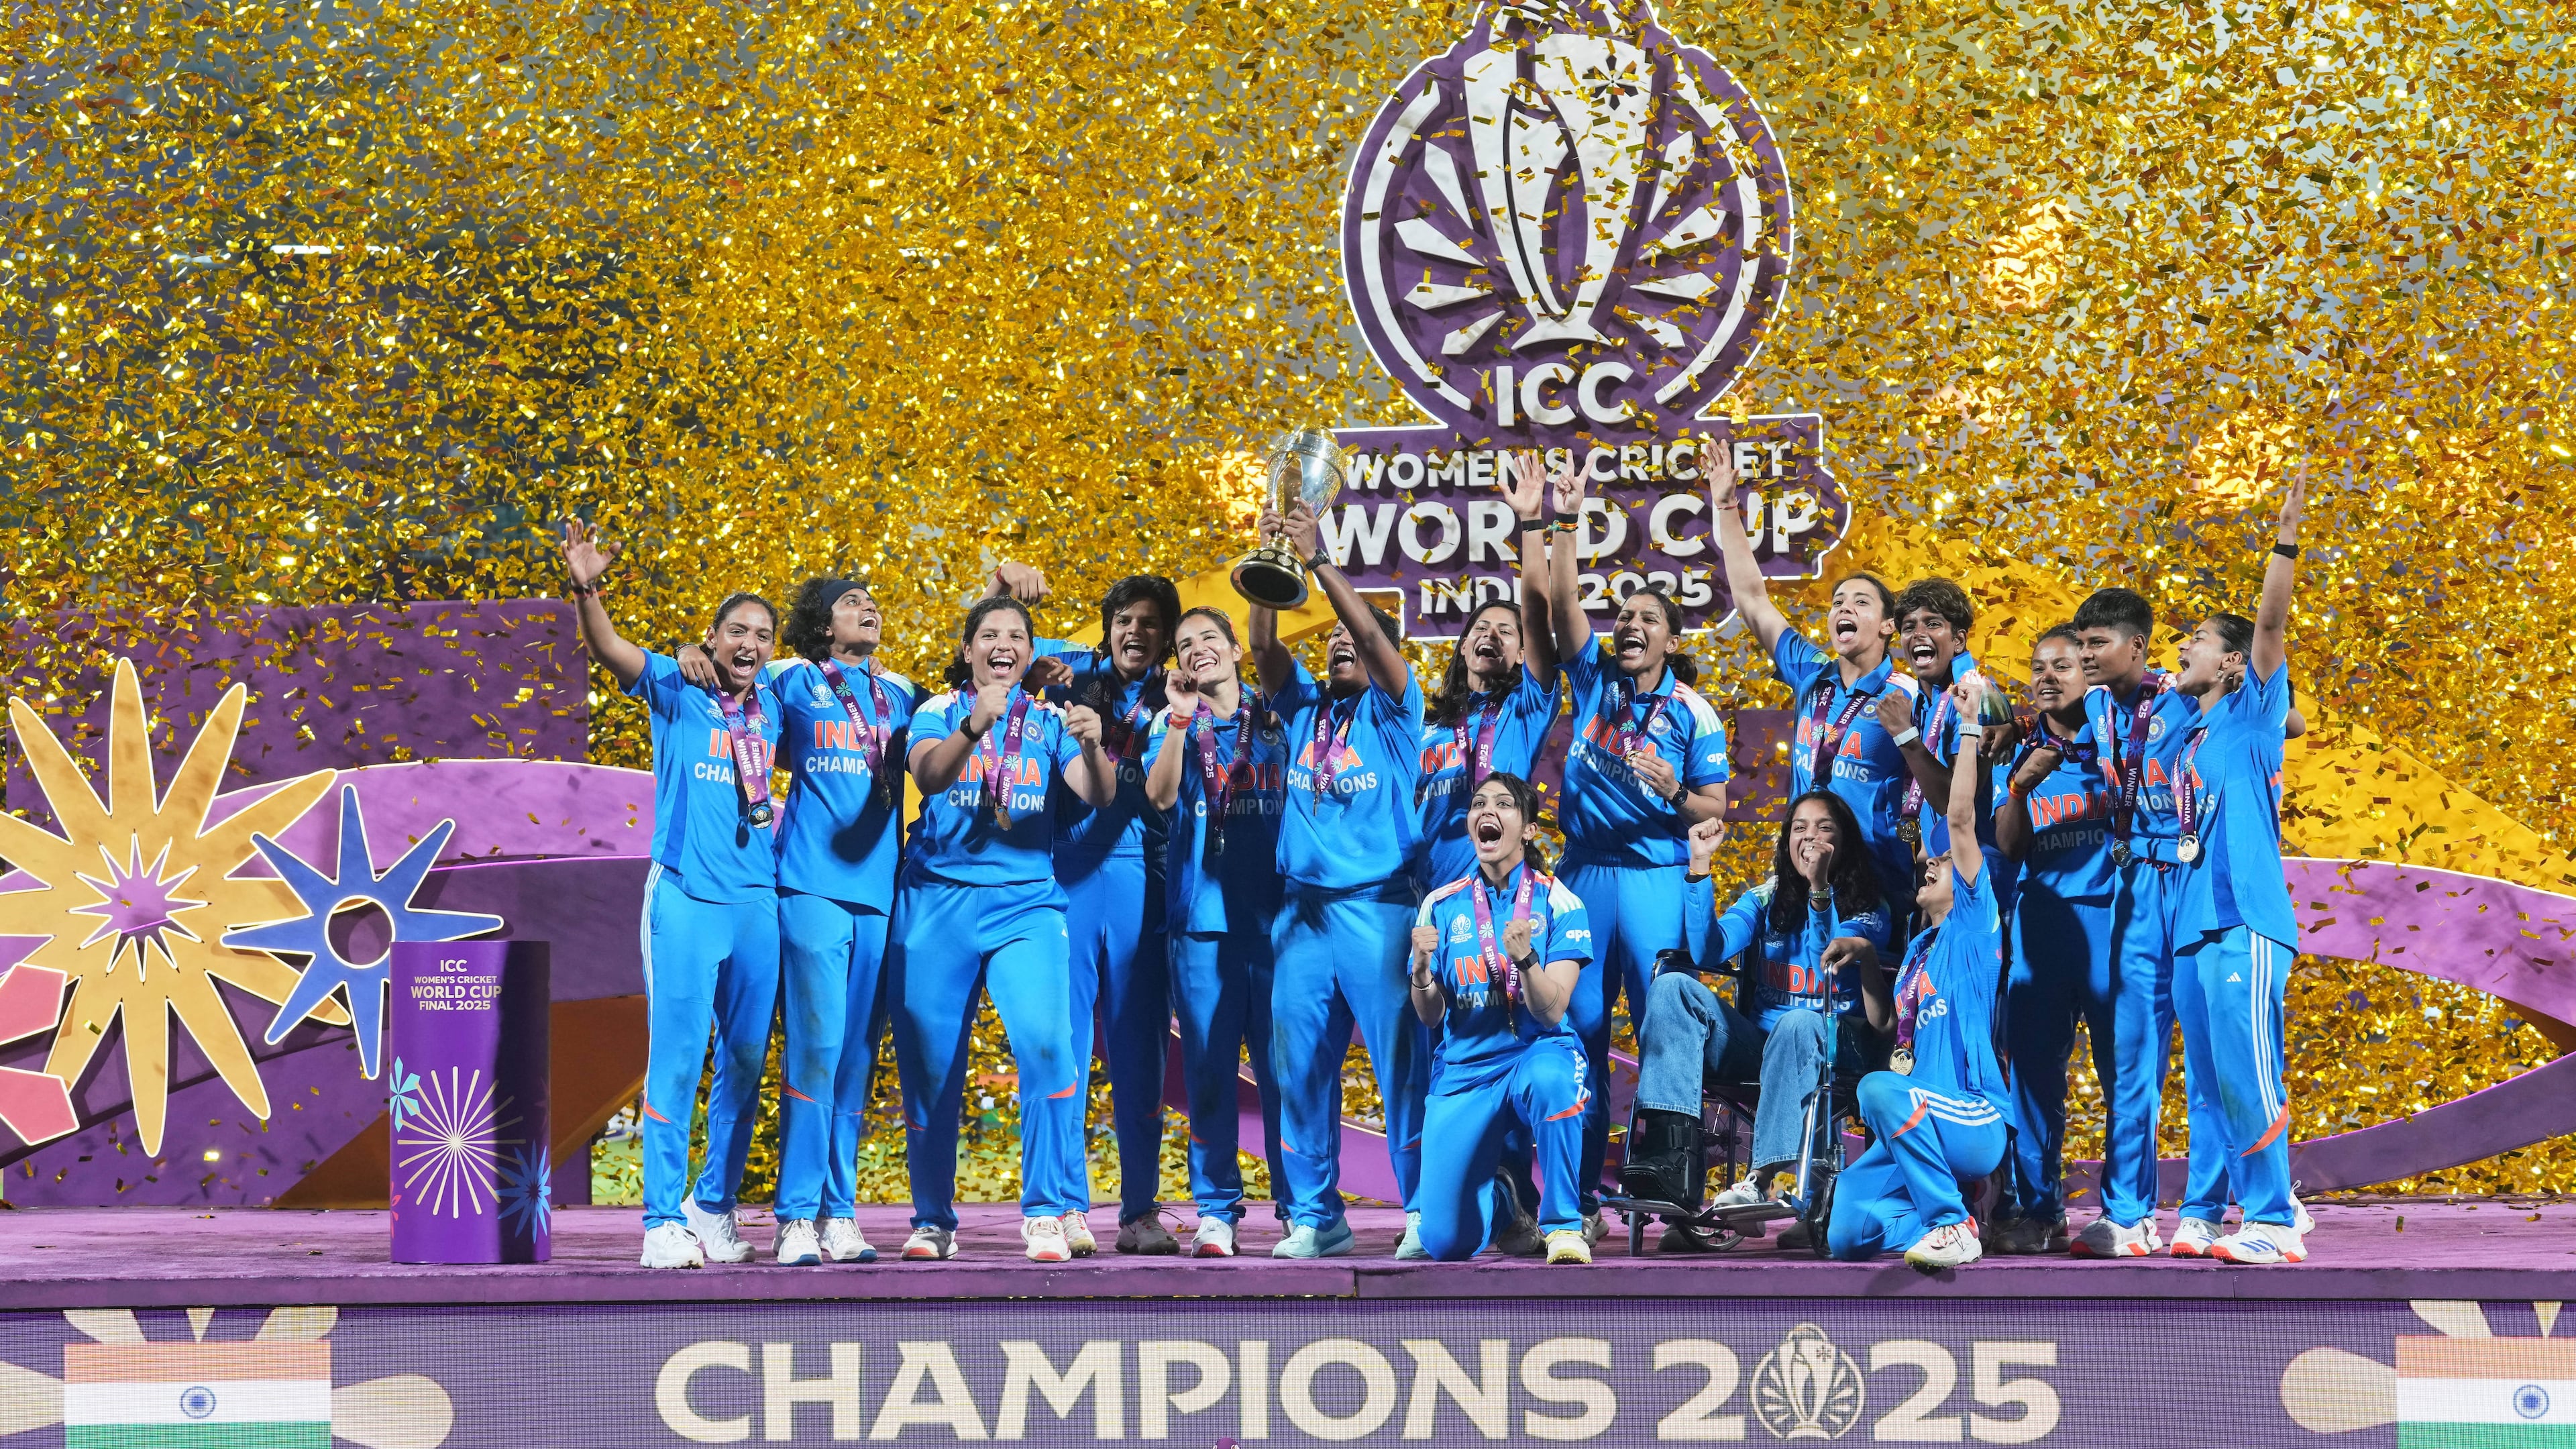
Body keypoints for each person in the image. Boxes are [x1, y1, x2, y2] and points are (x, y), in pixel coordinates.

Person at [559, 520, 784, 1271]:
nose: (748, 643)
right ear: (712, 639)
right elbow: (609, 647)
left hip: (758, 903)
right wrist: (588, 588)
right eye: (735, 631)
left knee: (747, 1063)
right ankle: (660, 1219)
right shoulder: (675, 684)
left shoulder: (778, 704)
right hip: (685, 896)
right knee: (678, 1060)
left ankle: (711, 1207)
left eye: (762, 634)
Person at [890, 595, 1122, 1263]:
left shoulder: (1048, 720)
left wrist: (1092, 743)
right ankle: (934, 1219)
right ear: (967, 651)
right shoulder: (936, 709)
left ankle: (1047, 1211)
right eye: (988, 634)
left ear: (1028, 653)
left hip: (1026, 906)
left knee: (1050, 1047)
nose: (1003, 643)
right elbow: (931, 775)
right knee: (932, 1070)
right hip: (937, 905)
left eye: (1017, 635)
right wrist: (971, 725)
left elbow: (1098, 792)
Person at [1538, 451, 1730, 1238]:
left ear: (1671, 638)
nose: (1630, 626)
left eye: (1648, 619)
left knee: (1664, 1038)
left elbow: (1713, 808)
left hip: (1654, 876)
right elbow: (1558, 608)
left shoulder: (1696, 711)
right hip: (1585, 877)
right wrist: (1566, 518)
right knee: (1577, 1034)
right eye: (1625, 617)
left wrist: (1670, 792)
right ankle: (1576, 1202)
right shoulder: (1594, 684)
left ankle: (1668, 1195)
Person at [1248, 498, 1432, 1260]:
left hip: (1378, 910)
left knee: (1400, 1070)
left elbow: (1366, 633)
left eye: (1351, 643)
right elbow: (1263, 652)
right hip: (1303, 918)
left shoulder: (1396, 711)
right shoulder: (1303, 712)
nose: (1337, 648)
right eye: (1328, 645)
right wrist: (1270, 564)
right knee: (1298, 1072)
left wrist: (1321, 561)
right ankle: (1317, 1215)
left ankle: (1424, 1210)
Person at [983, 564, 1183, 1254]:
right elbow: (990, 655)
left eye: (1151, 623)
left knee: (1139, 1054)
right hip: (1063, 877)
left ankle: (1138, 1210)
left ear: (1167, 637)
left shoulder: (1179, 692)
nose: (1136, 631)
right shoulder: (1064, 667)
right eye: (1125, 619)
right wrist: (1002, 592)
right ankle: (1064, 1204)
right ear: (1108, 627)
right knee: (1059, 1048)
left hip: (1142, 882)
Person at [716, 578, 916, 1267]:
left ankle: (839, 1212)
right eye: (851, 600)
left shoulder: (904, 694)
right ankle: (794, 1215)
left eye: (873, 599)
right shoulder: (791, 679)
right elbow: (727, 672)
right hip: (808, 887)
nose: (870, 606)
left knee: (858, 1058)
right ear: (822, 624)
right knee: (818, 1049)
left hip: (880, 894)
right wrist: (692, 651)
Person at [1623, 794, 1892, 1253]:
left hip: (1835, 1042)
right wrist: (1700, 868)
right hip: (1762, 1045)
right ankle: (1670, 1166)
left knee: (1798, 1020)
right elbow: (1710, 951)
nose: (1810, 836)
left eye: (1824, 827)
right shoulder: (1765, 898)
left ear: (1844, 840)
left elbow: (1827, 953)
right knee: (1670, 986)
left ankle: (1760, 1180)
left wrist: (1819, 887)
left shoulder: (1870, 908)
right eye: (1799, 827)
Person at [2165, 469, 2310, 1264]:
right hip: (2194, 927)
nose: (2182, 649)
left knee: (2250, 1073)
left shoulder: (2254, 715)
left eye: (2197, 641)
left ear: (2230, 665)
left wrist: (2282, 542)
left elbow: (2270, 625)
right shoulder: (2191, 737)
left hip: (2246, 920)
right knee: (2214, 1083)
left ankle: (2276, 1223)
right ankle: (2222, 1211)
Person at [1827, 673, 2013, 1272]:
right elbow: (1887, 1028)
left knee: (1876, 1088)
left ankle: (1951, 1223)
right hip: (1919, 1118)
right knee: (1847, 1231)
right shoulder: (1917, 950)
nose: (1932, 865)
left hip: (1971, 1115)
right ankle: (1951, 1210)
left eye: (1942, 863)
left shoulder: (1974, 928)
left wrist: (1966, 729)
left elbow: (1959, 821)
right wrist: (1866, 968)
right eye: (1928, 862)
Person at [1142, 606, 1290, 1257]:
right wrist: (1177, 720)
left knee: (1288, 1073)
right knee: (1208, 1072)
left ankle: (1301, 1204)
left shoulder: (1282, 718)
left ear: (1236, 648)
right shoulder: (1172, 722)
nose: (1198, 649)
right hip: (1202, 925)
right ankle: (1217, 1211)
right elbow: (1162, 796)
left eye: (1209, 638)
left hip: (1278, 924)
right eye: (1184, 644)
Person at [1711, 444, 1918, 907]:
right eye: (1838, 602)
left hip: (1876, 883)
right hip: (1800, 873)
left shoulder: (1906, 696)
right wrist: (1726, 506)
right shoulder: (1812, 674)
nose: (1844, 607)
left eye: (1861, 602)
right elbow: (1752, 599)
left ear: (1889, 626)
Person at [1407, 774, 1598, 1265]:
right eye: (1478, 804)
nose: (1487, 811)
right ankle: (1505, 1201)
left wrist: (1528, 961)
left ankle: (1563, 1226)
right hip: (1467, 1069)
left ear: (1529, 829)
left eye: (1504, 804)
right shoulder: (1440, 905)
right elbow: (1430, 1017)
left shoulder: (1560, 902)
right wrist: (1423, 974)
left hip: (1537, 1051)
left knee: (1555, 1082)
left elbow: (1552, 1010)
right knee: (1445, 1243)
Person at [1988, 625, 2113, 1255]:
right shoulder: (2018, 754)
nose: (2045, 677)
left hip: (2114, 931)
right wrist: (2019, 787)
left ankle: (2125, 1211)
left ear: (2091, 673)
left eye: (2061, 666)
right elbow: (2009, 847)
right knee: (2034, 1082)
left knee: (2125, 1079)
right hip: (2039, 930)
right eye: (2036, 667)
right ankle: (2038, 1210)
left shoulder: (2123, 741)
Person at [1413, 453, 1564, 892]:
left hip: (1499, 894)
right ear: (1463, 648)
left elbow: (1537, 615)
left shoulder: (1525, 710)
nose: (1492, 635)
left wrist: (1532, 522)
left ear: (1522, 653)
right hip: (1424, 900)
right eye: (1481, 628)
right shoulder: (1426, 729)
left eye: (1505, 631)